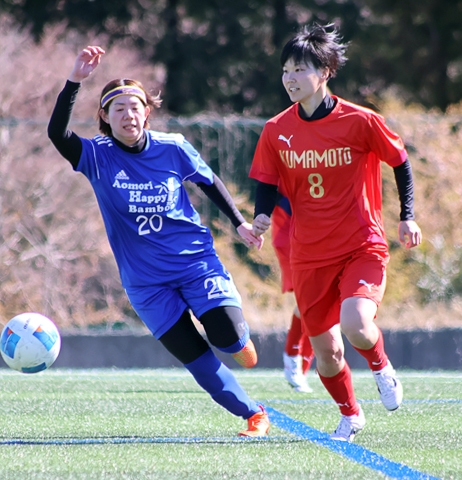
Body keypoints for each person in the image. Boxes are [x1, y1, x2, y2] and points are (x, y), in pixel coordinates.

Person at [47, 45, 270, 437]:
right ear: (105, 117)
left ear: (146, 112)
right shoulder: (96, 156)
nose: (128, 115)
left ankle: (238, 340)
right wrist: (75, 81)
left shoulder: (173, 146)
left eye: (135, 107)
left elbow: (208, 181)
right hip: (147, 284)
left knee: (228, 337)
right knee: (196, 359)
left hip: (195, 264)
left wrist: (238, 223)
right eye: (118, 109)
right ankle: (254, 415)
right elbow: (57, 134)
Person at [249, 25, 422, 442]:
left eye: (300, 69)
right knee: (327, 354)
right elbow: (266, 182)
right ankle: (351, 414)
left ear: (325, 72)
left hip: (361, 244)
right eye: (286, 70)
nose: (290, 78)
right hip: (309, 253)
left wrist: (408, 216)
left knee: (356, 323)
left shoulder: (361, 120)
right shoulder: (276, 129)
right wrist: (260, 216)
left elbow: (399, 161)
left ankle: (381, 367)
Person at [272, 192, 315, 393]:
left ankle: (300, 368)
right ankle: (294, 360)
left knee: (329, 304)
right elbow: (268, 185)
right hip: (292, 227)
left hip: (323, 231)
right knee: (310, 302)